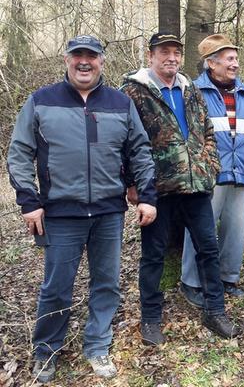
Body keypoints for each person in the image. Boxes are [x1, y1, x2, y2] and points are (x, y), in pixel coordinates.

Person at [8, 35, 157, 382]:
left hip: (108, 213)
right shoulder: (42, 101)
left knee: (106, 284)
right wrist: (29, 201)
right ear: (67, 60)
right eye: (78, 56)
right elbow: (18, 152)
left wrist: (147, 195)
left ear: (102, 61)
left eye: (92, 56)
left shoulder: (120, 103)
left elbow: (140, 150)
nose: (84, 62)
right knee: (57, 286)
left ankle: (97, 345)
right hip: (60, 213)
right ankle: (46, 350)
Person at [122, 32, 240, 345]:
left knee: (208, 249)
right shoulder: (134, 92)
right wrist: (132, 183)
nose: (171, 57)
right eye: (164, 52)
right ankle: (150, 318)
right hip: (157, 189)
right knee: (153, 255)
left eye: (176, 52)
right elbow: (123, 142)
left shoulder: (190, 90)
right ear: (151, 56)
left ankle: (215, 311)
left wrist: (209, 166)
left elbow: (208, 132)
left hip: (197, 186)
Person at [180, 34, 244, 307]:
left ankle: (228, 278)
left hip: (240, 172)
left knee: (236, 228)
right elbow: (188, 135)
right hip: (209, 174)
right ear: (211, 64)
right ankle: (190, 282)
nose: (235, 64)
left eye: (236, 58)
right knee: (199, 229)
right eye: (229, 59)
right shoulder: (194, 92)